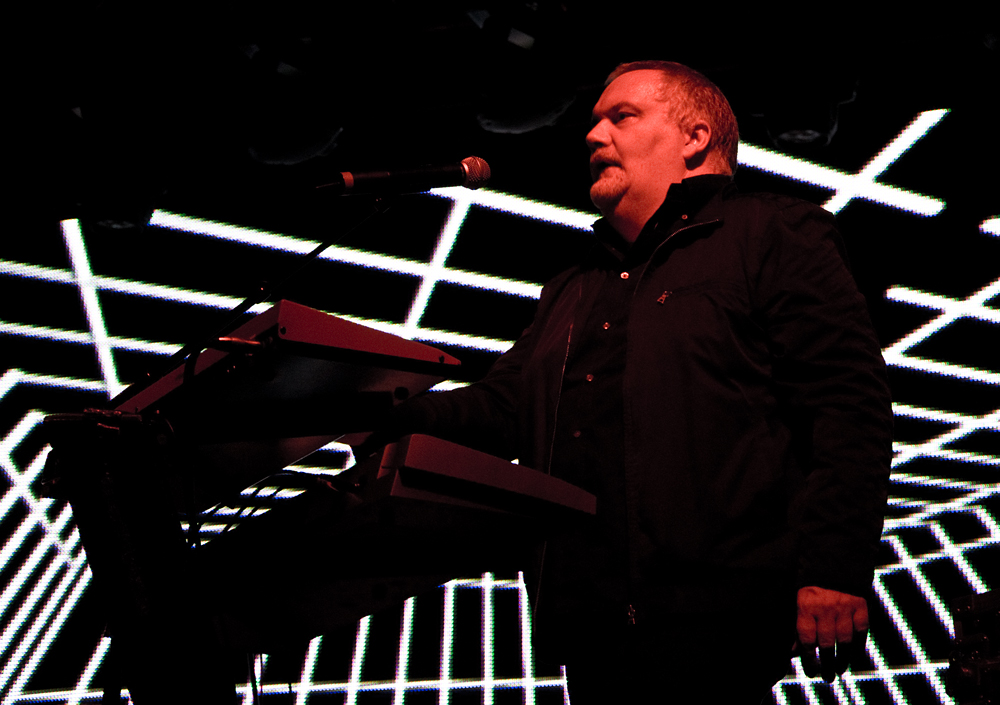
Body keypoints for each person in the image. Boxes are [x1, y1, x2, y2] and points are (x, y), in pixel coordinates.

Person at [365, 60, 893, 703]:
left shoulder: (774, 231)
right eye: (593, 122)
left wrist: (833, 567)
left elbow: (848, 405)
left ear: (695, 137)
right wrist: (372, 408)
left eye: (622, 116)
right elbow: (507, 406)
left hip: (720, 619)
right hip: (588, 622)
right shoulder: (572, 284)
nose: (593, 135)